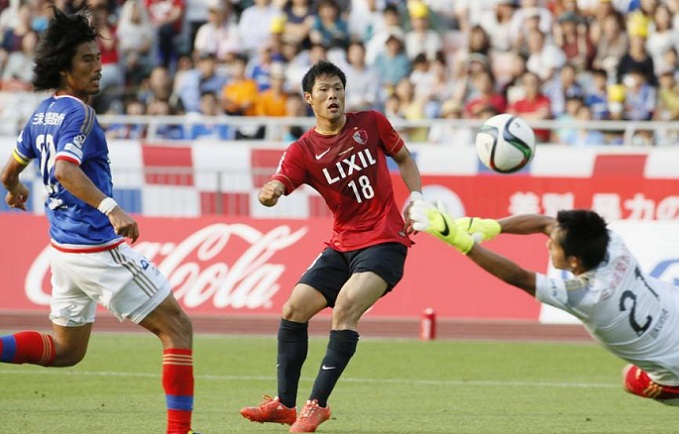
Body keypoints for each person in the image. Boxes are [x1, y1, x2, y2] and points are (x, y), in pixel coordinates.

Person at [0, 7, 201, 434]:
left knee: (68, 350)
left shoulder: (42, 113)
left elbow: (10, 168)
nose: (97, 68)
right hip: (95, 248)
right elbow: (65, 171)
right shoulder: (80, 115)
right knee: (178, 328)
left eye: (97, 57)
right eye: (87, 60)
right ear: (63, 68)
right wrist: (112, 207)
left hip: (62, 251)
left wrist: (13, 187)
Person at [240, 60, 422, 432]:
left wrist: (416, 196)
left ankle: (316, 405)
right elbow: (279, 181)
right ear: (309, 99)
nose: (333, 95)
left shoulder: (370, 123)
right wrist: (272, 191)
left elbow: (403, 157)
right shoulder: (302, 150)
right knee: (294, 309)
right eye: (323, 90)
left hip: (385, 240)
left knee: (346, 309)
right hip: (341, 244)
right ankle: (284, 404)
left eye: (337, 87)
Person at [408, 202, 679, 406]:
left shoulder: (586, 297)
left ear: (574, 261)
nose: (548, 243)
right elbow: (547, 224)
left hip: (675, 370)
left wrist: (461, 242)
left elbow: (518, 277)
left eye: (555, 244)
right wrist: (489, 226)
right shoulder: (612, 243)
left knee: (631, 379)